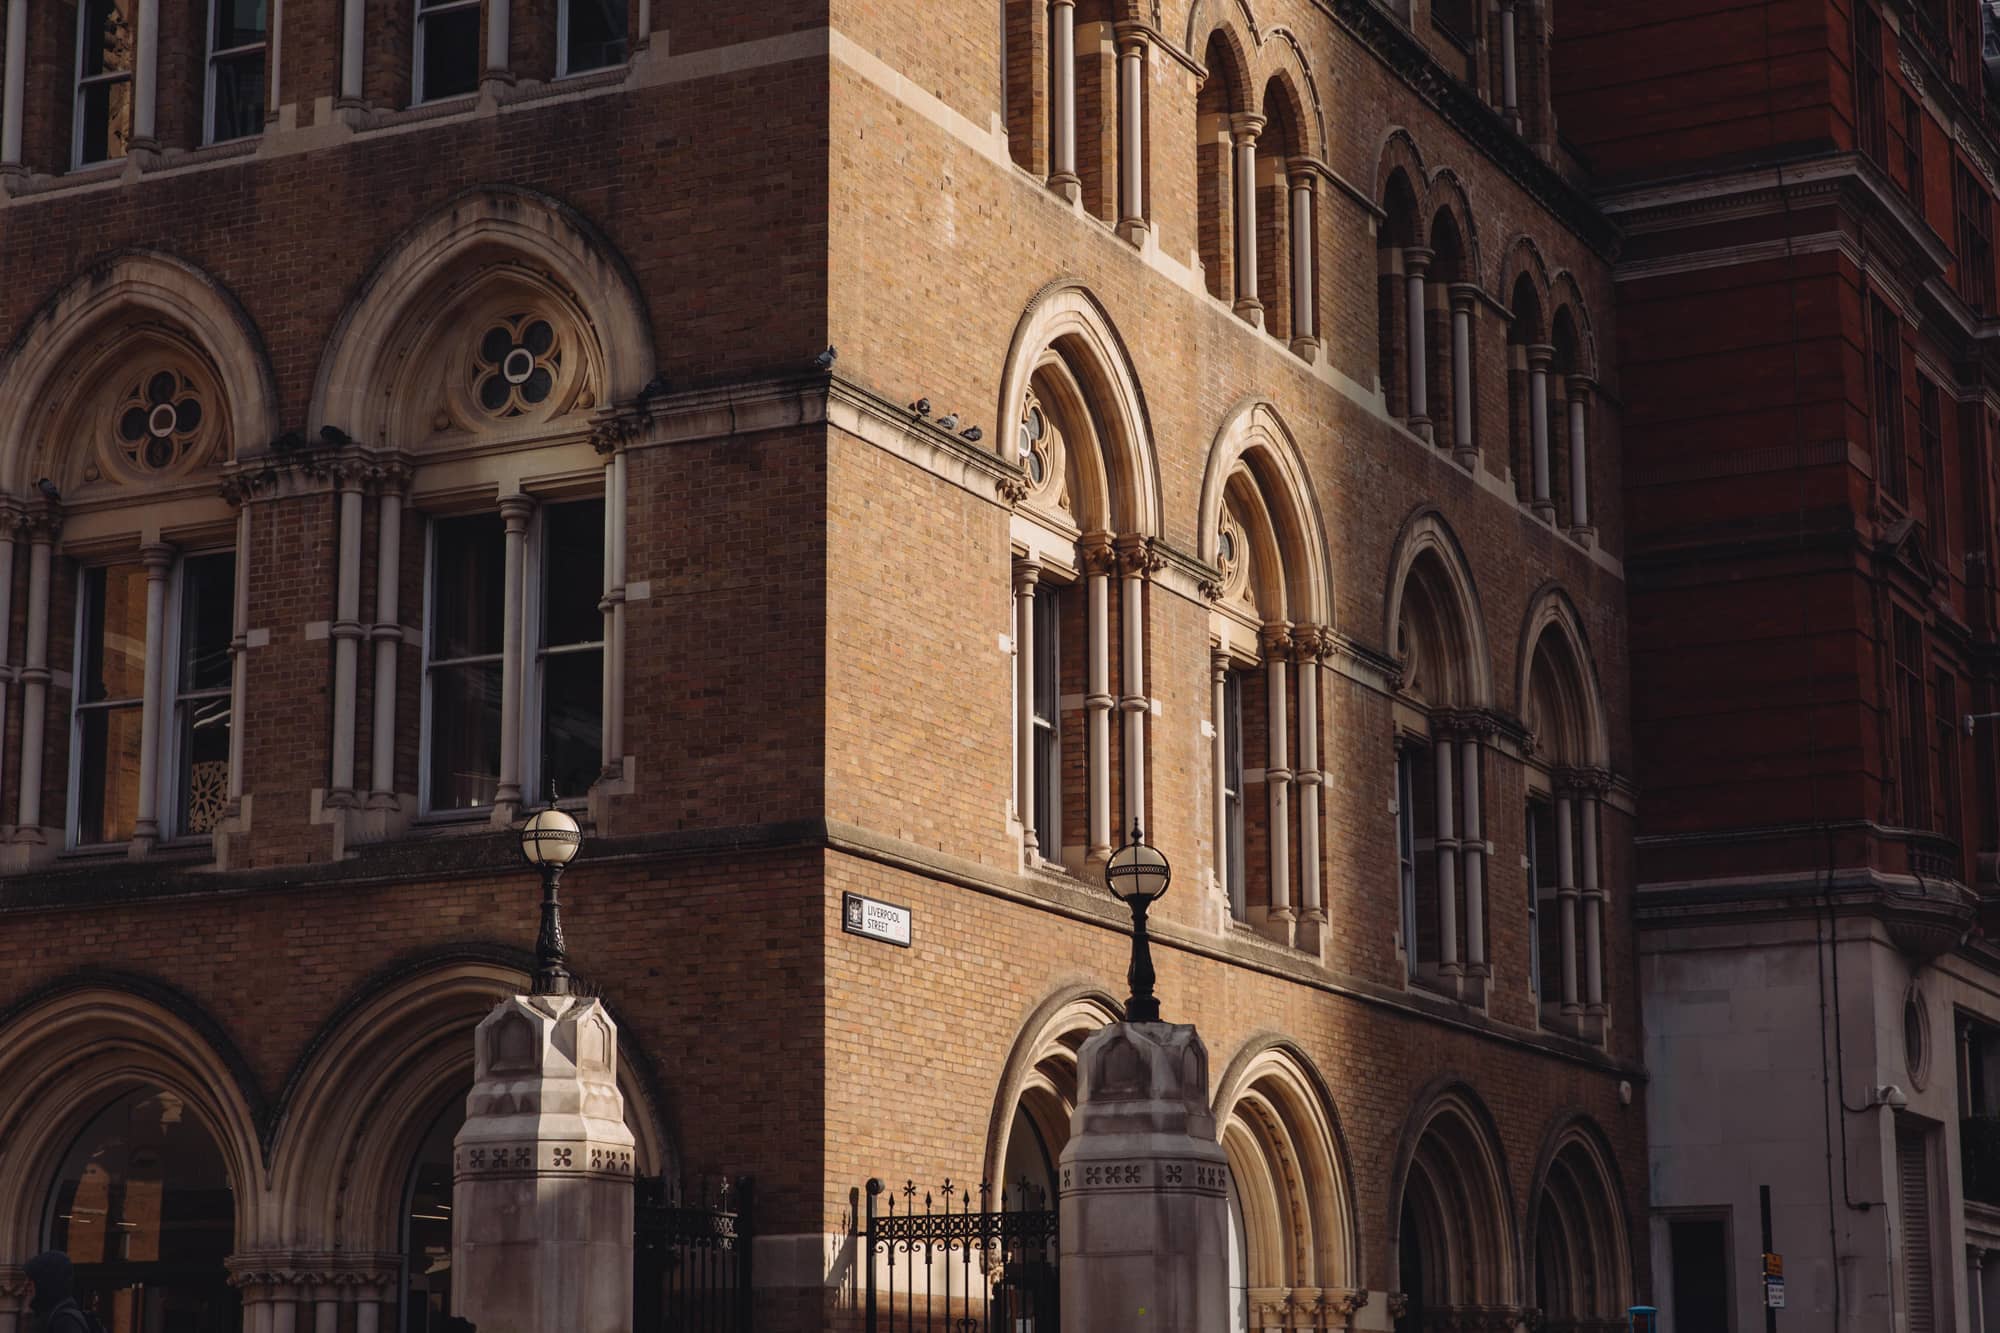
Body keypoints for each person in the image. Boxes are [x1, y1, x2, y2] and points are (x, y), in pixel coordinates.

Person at [21, 1252, 99, 1333]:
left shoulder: (65, 1321)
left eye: (31, 1280)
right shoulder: (49, 1316)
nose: (25, 1286)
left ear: (44, 1283)